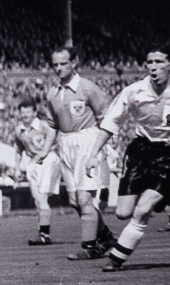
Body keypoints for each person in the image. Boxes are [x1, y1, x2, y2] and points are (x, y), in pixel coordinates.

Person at [80, 50, 170, 272]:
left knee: (142, 211)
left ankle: (116, 259)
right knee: (122, 213)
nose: (153, 67)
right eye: (150, 62)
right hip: (141, 152)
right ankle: (159, 199)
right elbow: (109, 124)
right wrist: (93, 154)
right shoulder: (134, 91)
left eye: (159, 62)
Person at [44, 47, 118, 260]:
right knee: (76, 202)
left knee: (85, 199)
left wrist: (102, 148)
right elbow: (51, 125)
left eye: (63, 63)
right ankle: (106, 239)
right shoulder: (52, 93)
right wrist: (44, 149)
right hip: (65, 146)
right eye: (55, 64)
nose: (58, 68)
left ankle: (90, 247)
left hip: (87, 143)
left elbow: (106, 118)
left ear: (74, 63)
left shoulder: (87, 88)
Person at [11, 97, 59, 245]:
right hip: (32, 163)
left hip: (47, 160)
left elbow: (57, 143)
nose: (25, 115)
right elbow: (19, 150)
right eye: (22, 112)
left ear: (34, 112)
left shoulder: (44, 126)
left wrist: (44, 152)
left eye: (28, 111)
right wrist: (17, 168)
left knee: (42, 199)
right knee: (37, 200)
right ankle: (42, 232)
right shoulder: (19, 130)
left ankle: (45, 234)